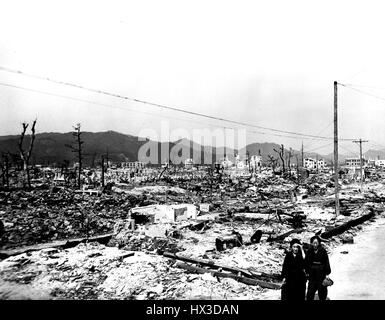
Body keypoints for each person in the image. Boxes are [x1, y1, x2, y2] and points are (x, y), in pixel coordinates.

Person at [305, 235, 331, 300]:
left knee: (322, 291)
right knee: (310, 292)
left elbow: (326, 262)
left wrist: (327, 274)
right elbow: (306, 262)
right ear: (311, 243)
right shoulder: (309, 251)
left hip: (321, 273)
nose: (315, 244)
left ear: (319, 243)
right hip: (312, 274)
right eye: (314, 243)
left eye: (316, 243)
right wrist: (307, 272)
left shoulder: (323, 251)